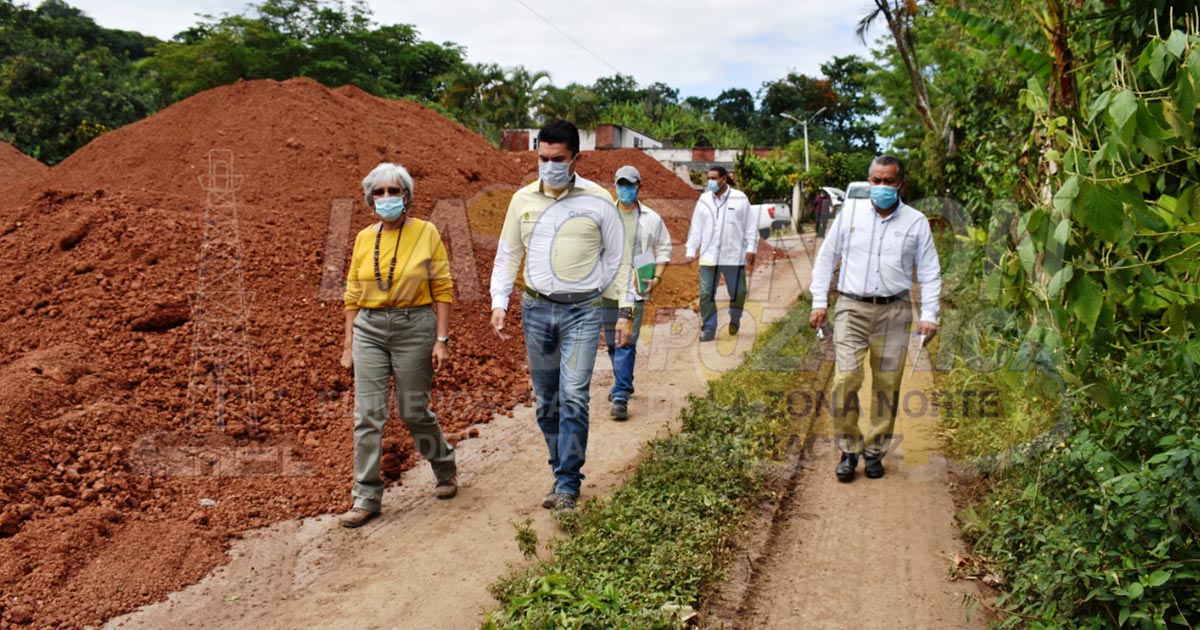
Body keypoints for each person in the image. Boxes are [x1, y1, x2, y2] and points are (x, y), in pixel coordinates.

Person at [489, 120, 632, 512]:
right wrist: (498, 301)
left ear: (575, 159)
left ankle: (568, 482)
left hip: (583, 311)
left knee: (574, 396)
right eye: (542, 158)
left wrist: (626, 312)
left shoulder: (600, 199)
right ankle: (559, 469)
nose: (549, 166)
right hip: (535, 309)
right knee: (546, 399)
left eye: (558, 159)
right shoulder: (521, 200)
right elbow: (508, 254)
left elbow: (619, 261)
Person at [338, 162, 458, 528]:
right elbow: (353, 294)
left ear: (407, 196)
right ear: (369, 199)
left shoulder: (427, 232)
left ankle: (444, 466)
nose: (387, 198)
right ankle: (366, 496)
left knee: (413, 411)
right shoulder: (363, 238)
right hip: (369, 330)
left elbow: (442, 288)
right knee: (368, 415)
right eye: (379, 192)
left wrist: (441, 340)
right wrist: (348, 343)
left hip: (414, 326)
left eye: (394, 191)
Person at [808, 155, 941, 482]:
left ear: (901, 185)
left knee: (886, 385)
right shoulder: (849, 214)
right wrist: (818, 301)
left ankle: (875, 451)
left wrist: (930, 315)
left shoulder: (916, 222)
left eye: (888, 182)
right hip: (852, 308)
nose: (881, 187)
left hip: (895, 311)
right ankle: (849, 449)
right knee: (845, 378)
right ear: (869, 182)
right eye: (876, 181)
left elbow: (929, 271)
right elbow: (827, 258)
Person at [600, 165, 672, 420]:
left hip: (635, 287)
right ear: (614, 185)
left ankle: (620, 395)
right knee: (611, 342)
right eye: (620, 184)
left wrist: (657, 277)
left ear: (639, 186)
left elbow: (664, 249)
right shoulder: (604, 214)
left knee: (625, 340)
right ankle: (625, 381)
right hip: (607, 287)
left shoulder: (651, 218)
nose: (624, 189)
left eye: (629, 185)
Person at [683, 166, 757, 341]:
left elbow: (750, 225)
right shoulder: (703, 199)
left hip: (733, 255)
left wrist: (751, 247)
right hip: (709, 256)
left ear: (724, 179)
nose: (710, 182)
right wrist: (690, 250)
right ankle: (708, 329)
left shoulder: (740, 198)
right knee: (706, 293)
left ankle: (735, 317)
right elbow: (696, 227)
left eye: (714, 178)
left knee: (739, 292)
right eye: (708, 178)